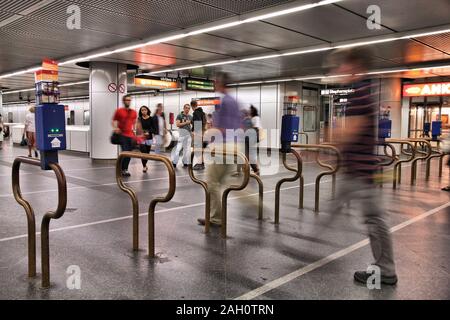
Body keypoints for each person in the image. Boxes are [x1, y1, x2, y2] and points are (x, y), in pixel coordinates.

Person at [326, 47, 397, 286]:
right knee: (369, 217)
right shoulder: (365, 91)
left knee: (375, 219)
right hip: (360, 169)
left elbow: (349, 133)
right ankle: (314, 237)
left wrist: (327, 138)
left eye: (342, 66)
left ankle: (385, 269)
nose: (339, 70)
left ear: (354, 67)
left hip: (362, 172)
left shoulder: (360, 95)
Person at [197, 72, 242, 227]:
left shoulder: (223, 102)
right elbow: (240, 126)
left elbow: (220, 129)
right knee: (222, 182)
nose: (214, 84)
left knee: (211, 182)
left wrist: (207, 138)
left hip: (224, 147)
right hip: (234, 146)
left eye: (215, 82)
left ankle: (216, 218)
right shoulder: (234, 101)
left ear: (220, 83)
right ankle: (258, 206)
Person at [112, 94, 137, 177]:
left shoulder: (133, 112)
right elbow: (114, 120)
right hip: (122, 135)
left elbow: (134, 123)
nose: (128, 101)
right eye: (127, 100)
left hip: (130, 135)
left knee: (129, 153)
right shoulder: (119, 111)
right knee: (125, 152)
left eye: (129, 100)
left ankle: (124, 168)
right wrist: (116, 128)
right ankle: (123, 169)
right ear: (123, 101)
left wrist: (136, 133)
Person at [171, 104, 192, 168]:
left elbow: (191, 124)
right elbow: (177, 124)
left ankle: (185, 162)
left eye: (188, 108)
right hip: (182, 135)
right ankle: (174, 162)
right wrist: (186, 123)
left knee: (187, 150)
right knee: (178, 149)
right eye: (186, 108)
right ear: (183, 108)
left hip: (188, 135)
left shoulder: (190, 116)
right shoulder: (179, 115)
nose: (187, 109)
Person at [136, 106, 154, 173]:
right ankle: (144, 166)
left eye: (145, 110)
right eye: (142, 110)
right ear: (141, 112)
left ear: (147, 111)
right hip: (141, 138)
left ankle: (145, 164)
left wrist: (149, 132)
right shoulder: (139, 119)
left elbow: (154, 128)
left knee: (147, 153)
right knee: (143, 152)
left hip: (149, 138)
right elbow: (137, 128)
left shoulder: (151, 119)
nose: (143, 111)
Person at [191, 100, 207, 170]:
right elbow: (204, 122)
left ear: (192, 106)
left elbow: (198, 122)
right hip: (203, 132)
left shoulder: (196, 113)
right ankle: (201, 163)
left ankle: (199, 164)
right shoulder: (203, 113)